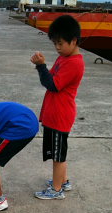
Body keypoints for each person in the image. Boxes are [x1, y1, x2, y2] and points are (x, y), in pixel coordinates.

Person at [30, 15, 85, 200]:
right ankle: (64, 181)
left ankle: (56, 189)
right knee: (59, 151)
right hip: (54, 114)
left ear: (74, 41)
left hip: (60, 116)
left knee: (58, 156)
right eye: (55, 43)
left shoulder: (74, 63)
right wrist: (42, 67)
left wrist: (41, 66)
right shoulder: (64, 58)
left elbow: (53, 84)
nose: (57, 48)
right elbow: (49, 79)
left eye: (60, 43)